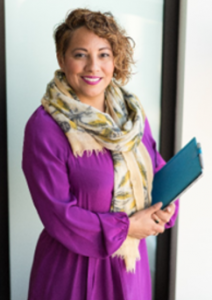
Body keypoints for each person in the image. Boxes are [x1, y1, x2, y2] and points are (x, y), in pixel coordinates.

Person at [22, 8, 178, 300]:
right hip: (75, 273)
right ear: (61, 58)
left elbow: (155, 168)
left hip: (131, 268)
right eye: (80, 54)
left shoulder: (131, 115)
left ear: (115, 59)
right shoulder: (45, 127)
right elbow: (59, 214)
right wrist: (128, 227)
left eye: (104, 54)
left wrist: (166, 204)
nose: (93, 66)